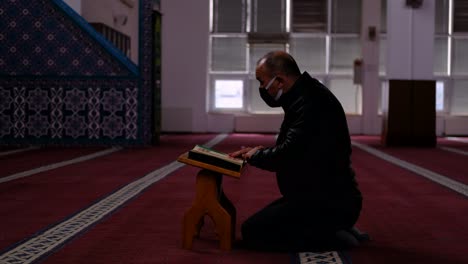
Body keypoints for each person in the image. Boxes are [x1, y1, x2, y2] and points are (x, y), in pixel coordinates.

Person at [229, 51, 363, 252]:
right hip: (317, 195)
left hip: (328, 201)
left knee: (253, 232)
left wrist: (256, 156)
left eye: (262, 82)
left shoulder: (310, 103)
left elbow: (286, 156)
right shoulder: (304, 95)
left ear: (280, 80)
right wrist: (260, 151)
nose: (261, 88)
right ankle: (333, 227)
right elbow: (298, 148)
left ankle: (333, 235)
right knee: (265, 223)